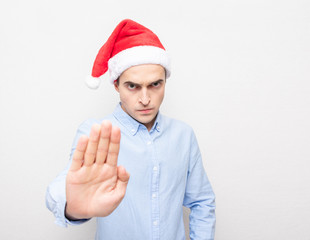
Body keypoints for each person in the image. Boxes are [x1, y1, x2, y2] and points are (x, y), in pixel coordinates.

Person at [46, 19, 216, 240]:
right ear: (116, 84)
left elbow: (202, 201)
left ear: (166, 81)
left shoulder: (183, 135)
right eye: (133, 86)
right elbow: (61, 187)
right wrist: (72, 207)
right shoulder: (96, 132)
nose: (145, 99)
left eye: (155, 84)